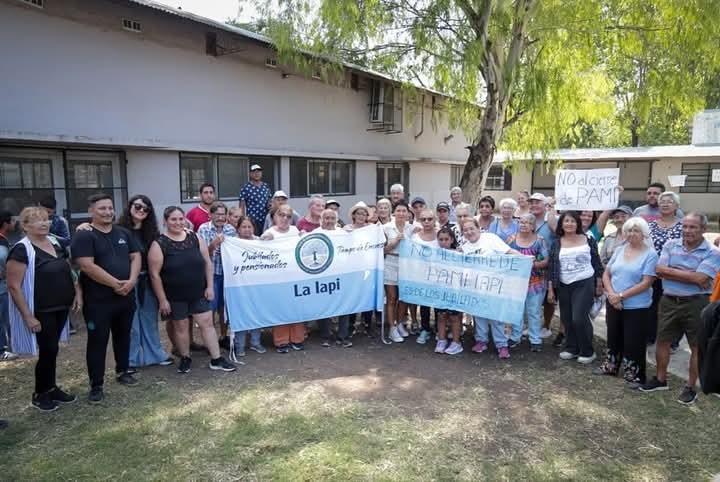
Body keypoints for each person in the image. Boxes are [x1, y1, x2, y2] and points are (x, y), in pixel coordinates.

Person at [639, 213, 720, 405]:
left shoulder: (713, 252)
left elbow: (701, 279)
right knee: (663, 340)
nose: (687, 231)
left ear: (703, 230)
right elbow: (659, 270)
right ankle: (660, 379)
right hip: (668, 301)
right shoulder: (670, 245)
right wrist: (690, 274)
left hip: (697, 303)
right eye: (685, 226)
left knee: (696, 346)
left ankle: (690, 387)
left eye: (693, 227)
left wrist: (672, 272)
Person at [6, 207, 81, 411]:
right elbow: (13, 286)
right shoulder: (21, 249)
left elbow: (70, 269)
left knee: (53, 349)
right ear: (25, 226)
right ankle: (40, 393)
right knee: (47, 350)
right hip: (41, 310)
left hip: (61, 305)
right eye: (37, 220)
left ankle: (51, 387)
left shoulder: (56, 243)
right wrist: (28, 316)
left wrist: (77, 292)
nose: (43, 224)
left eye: (46, 220)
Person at [71, 194, 141, 403]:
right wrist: (115, 284)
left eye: (110, 208)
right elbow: (87, 266)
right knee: (97, 341)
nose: (108, 212)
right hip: (98, 300)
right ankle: (96, 384)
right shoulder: (84, 236)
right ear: (91, 211)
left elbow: (136, 255)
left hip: (126, 296)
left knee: (123, 335)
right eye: (102, 208)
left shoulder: (123, 233)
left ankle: (123, 371)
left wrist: (131, 280)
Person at [148, 206, 236, 374]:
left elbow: (207, 263)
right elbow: (154, 275)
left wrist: (210, 286)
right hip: (175, 295)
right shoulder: (159, 244)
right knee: (181, 326)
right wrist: (162, 300)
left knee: (207, 324)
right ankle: (185, 358)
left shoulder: (195, 238)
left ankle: (216, 359)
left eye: (180, 219)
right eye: (173, 219)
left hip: (199, 292)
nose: (178, 222)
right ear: (165, 221)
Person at [597, 217, 658, 385]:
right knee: (613, 336)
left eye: (636, 230)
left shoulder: (651, 254)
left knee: (634, 341)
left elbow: (646, 282)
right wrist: (611, 295)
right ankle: (611, 366)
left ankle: (635, 374)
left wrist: (621, 296)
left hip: (637, 306)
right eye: (629, 230)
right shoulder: (620, 249)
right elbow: (606, 273)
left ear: (644, 233)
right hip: (613, 302)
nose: (632, 234)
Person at [120, 195, 172, 369]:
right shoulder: (118, 231)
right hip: (126, 282)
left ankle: (155, 355)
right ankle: (131, 359)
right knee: (131, 323)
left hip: (148, 281)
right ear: (130, 207)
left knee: (150, 319)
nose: (141, 210)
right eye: (138, 206)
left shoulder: (152, 234)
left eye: (146, 208)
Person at [547, 211, 603, 364]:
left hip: (584, 282)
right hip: (564, 285)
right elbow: (552, 268)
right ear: (561, 224)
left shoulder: (588, 239)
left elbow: (596, 262)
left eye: (572, 221)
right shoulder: (557, 242)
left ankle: (587, 351)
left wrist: (599, 283)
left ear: (577, 223)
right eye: (566, 221)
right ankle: (571, 348)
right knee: (567, 318)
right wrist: (551, 289)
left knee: (579, 317)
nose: (569, 224)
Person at [462, 218, 519, 359]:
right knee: (479, 315)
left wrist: (524, 258)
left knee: (496, 316)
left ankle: (502, 344)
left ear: (478, 228)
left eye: (471, 228)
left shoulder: (490, 238)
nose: (469, 232)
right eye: (466, 230)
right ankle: (481, 341)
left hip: (494, 285)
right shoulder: (465, 247)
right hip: (475, 286)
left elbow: (508, 251)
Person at [262, 205, 304, 352]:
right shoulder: (269, 232)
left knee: (297, 307)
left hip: (296, 275)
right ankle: (281, 341)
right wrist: (265, 240)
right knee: (281, 308)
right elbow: (260, 250)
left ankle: (297, 338)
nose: (285, 218)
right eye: (282, 215)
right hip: (278, 277)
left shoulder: (295, 230)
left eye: (288, 216)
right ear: (275, 217)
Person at [197, 202, 237, 350]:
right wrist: (213, 245)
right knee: (210, 308)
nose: (220, 217)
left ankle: (223, 336)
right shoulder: (204, 229)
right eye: (217, 214)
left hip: (227, 275)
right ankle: (210, 341)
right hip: (211, 275)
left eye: (223, 214)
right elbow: (201, 254)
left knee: (224, 308)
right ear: (211, 215)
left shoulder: (230, 229)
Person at [507, 213, 549, 351]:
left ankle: (535, 339)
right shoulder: (511, 240)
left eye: (528, 223)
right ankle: (515, 336)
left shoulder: (540, 240)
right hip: (516, 283)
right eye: (521, 222)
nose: (523, 225)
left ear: (533, 226)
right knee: (516, 311)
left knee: (533, 311)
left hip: (535, 282)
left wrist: (531, 264)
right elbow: (504, 256)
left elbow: (546, 261)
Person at [646, 191, 683, 347]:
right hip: (652, 272)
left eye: (669, 201)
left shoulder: (683, 225)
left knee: (673, 308)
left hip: (674, 273)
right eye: (662, 201)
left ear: (676, 206)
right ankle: (650, 335)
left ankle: (672, 340)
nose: (665, 204)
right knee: (652, 305)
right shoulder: (651, 225)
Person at [231, 216, 266, 357]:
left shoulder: (259, 241)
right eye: (243, 227)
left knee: (256, 313)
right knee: (241, 314)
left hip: (257, 285)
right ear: (238, 229)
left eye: (249, 227)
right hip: (239, 285)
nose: (247, 230)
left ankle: (255, 342)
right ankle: (239, 345)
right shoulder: (232, 243)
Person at [317, 209, 352, 347]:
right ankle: (326, 335)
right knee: (324, 306)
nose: (329, 221)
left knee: (344, 305)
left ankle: (343, 336)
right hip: (323, 275)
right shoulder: (315, 234)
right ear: (322, 219)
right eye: (326, 218)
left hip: (341, 274)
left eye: (332, 218)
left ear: (336, 220)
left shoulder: (343, 234)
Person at [383, 201, 415, 343]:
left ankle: (401, 323)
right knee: (391, 298)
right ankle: (392, 327)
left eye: (404, 211)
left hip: (406, 265)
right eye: (399, 211)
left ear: (408, 213)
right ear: (394, 213)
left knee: (403, 297)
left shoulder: (413, 228)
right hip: (390, 262)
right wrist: (395, 241)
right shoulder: (386, 228)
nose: (401, 213)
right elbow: (383, 250)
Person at [345, 202, 377, 337]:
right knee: (353, 295)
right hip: (352, 268)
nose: (361, 216)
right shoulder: (347, 228)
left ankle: (367, 324)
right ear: (354, 215)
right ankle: (351, 324)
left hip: (367, 267)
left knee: (367, 296)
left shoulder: (372, 228)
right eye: (358, 213)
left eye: (364, 214)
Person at [528, 193, 556, 340]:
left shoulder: (551, 221)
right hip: (532, 266)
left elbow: (558, 235)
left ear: (545, 205)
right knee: (533, 296)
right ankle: (533, 325)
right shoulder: (528, 220)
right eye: (531, 202)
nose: (533, 205)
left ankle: (546, 326)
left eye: (537, 202)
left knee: (548, 299)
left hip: (548, 265)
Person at [433, 226, 463, 355]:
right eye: (441, 239)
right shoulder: (434, 254)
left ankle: (456, 342)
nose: (443, 242)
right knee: (441, 316)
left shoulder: (458, 254)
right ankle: (441, 340)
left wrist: (461, 254)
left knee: (454, 317)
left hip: (455, 290)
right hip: (440, 290)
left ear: (451, 240)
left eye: (446, 239)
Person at [412, 209, 438, 344]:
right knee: (424, 304)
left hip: (439, 276)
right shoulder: (415, 237)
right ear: (420, 221)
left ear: (434, 220)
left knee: (439, 304)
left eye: (429, 219)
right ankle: (425, 329)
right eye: (424, 219)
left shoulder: (441, 234)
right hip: (421, 275)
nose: (427, 222)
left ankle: (440, 330)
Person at [0, 210, 18, 361]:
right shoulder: (1, 241)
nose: (14, 223)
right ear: (5, 223)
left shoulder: (4, 240)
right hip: (1, 288)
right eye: (12, 220)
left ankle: (12, 344)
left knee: (6, 317)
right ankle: (2, 350)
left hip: (3, 287)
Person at [239, 164, 272, 237]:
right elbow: (242, 206)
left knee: (265, 239)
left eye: (259, 171)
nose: (257, 173)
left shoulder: (265, 186)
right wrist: (243, 220)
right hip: (252, 221)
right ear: (250, 174)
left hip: (265, 220)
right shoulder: (246, 187)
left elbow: (269, 202)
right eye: (254, 172)